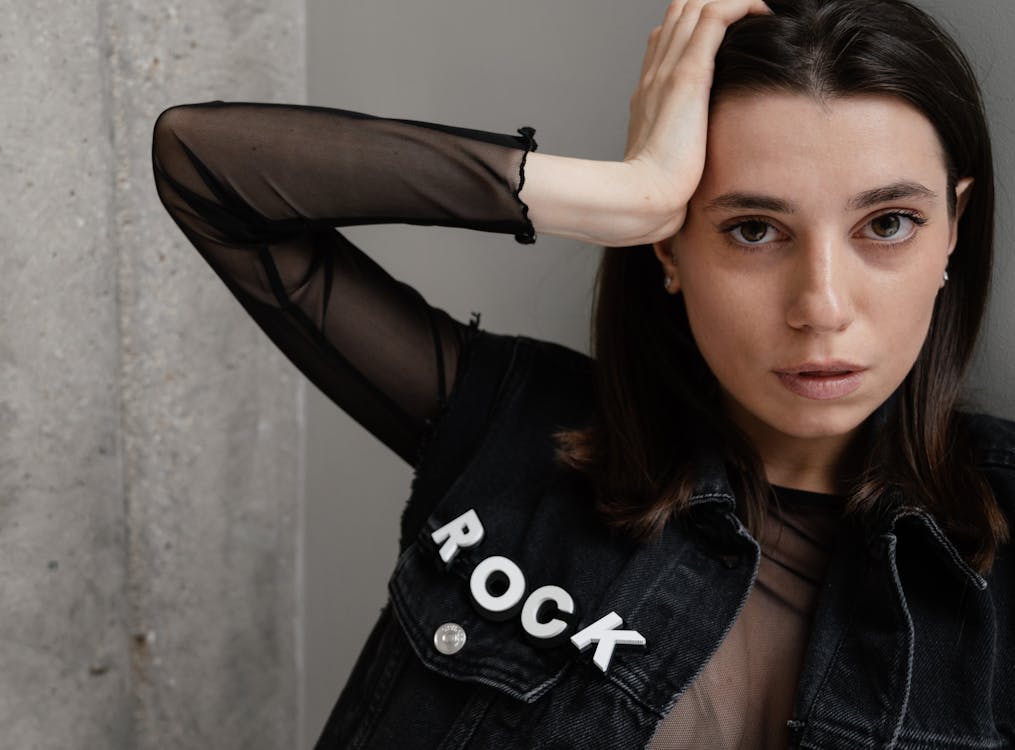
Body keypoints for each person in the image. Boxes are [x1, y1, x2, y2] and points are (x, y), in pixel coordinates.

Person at [151, 0, 1014, 746]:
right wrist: (623, 197)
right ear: (669, 248)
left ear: (952, 230)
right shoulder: (520, 437)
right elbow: (203, 165)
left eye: (889, 223)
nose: (821, 305)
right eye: (753, 229)